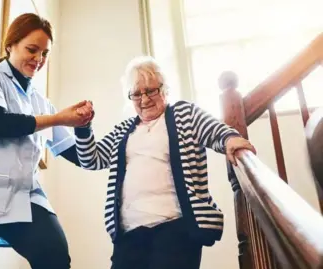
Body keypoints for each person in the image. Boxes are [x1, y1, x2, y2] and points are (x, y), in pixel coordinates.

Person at [73, 56, 256, 269]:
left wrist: (230, 139)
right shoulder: (123, 130)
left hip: (176, 227)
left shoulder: (184, 114)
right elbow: (91, 159)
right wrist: (83, 128)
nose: (144, 99)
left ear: (164, 89)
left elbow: (214, 130)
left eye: (151, 90)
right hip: (130, 232)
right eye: (136, 94)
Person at [0, 13, 91, 269]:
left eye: (45, 54)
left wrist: (83, 125)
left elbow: (80, 155)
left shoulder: (40, 102)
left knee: (54, 256)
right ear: (10, 44)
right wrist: (58, 118)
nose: (39, 59)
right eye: (32, 50)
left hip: (25, 197)